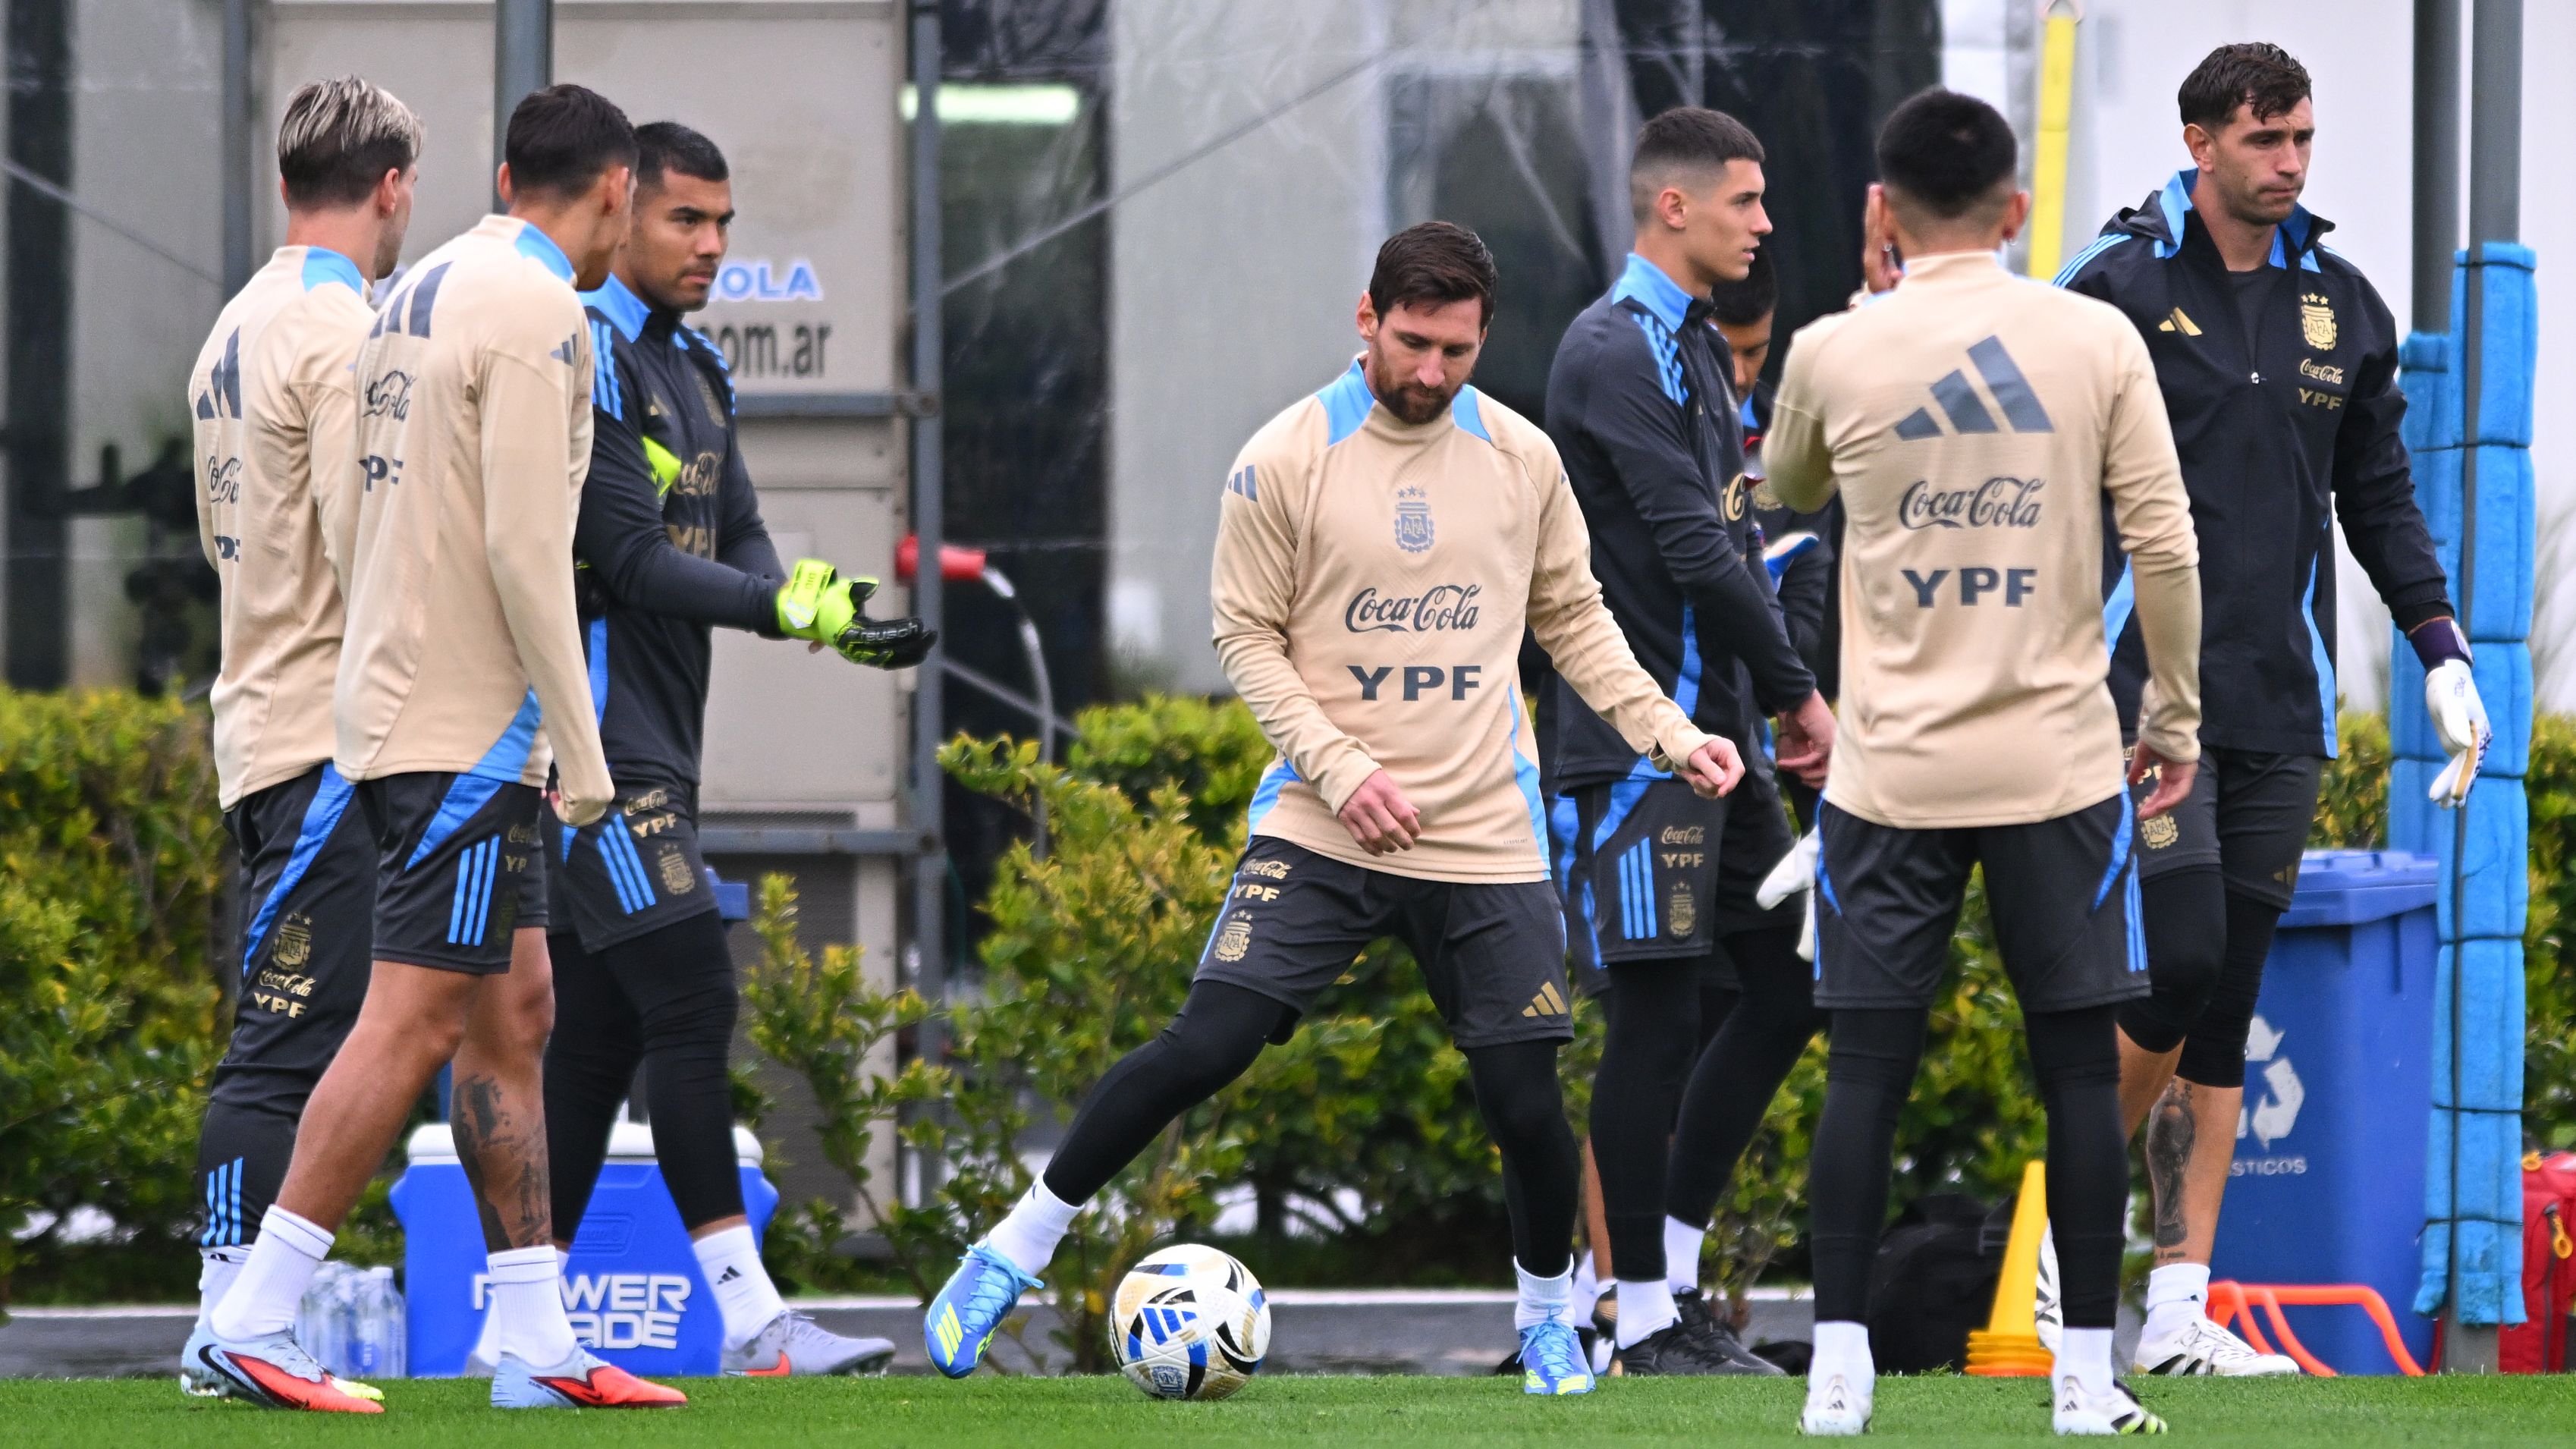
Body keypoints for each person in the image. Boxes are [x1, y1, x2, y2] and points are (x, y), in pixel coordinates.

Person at [922, 221, 1747, 1397]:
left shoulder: (1522, 459)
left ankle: (1549, 1318)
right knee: (1206, 1042)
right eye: (1412, 342)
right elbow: (1245, 638)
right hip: (1321, 817)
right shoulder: (1283, 458)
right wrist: (1341, 766)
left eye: (1456, 350)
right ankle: (1013, 1249)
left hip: (1480, 828)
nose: (1431, 371)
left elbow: (1574, 622)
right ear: (1366, 318)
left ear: (1482, 338)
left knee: (1525, 1095)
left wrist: (1673, 732)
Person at [191, 84, 683, 1413]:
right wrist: (582, 750)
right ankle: (256, 1310)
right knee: (406, 1019)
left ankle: (533, 1333)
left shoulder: (422, 288)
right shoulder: (536, 312)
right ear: (614, 196)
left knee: (517, 1011)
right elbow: (530, 548)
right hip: (468, 728)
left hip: (398, 710)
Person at [2044, 42, 2487, 1378]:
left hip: (2279, 702)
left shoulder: (2344, 304)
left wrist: (2441, 647)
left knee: (2229, 999)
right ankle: (2074, 1241)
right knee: (2172, 964)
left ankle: (2180, 1310)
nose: (2290, 163)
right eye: (2264, 140)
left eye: (2302, 138)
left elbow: (2379, 498)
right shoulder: (2111, 291)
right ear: (2200, 142)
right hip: (2137, 702)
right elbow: (2042, 486)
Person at [1766, 88, 2202, 1435]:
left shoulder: (1838, 349)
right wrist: (2171, 722)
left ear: (1882, 213)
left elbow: (1783, 492)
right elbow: (2171, 550)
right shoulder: (2095, 338)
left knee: (1863, 1073)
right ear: (2019, 211)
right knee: (2079, 1074)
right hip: (2061, 768)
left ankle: (1837, 1376)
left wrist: (1861, 314)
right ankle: (2082, 1381)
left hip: (1887, 777)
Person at [533, 119, 925, 1378]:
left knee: (595, 1041)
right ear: (619, 209)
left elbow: (741, 528)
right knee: (695, 993)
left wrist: (820, 606)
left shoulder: (700, 365)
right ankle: (754, 1320)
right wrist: (772, 605)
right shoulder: (582, 355)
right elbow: (633, 563)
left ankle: (522, 1333)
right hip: (586, 753)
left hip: (660, 752)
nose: (710, 246)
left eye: (722, 225)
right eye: (682, 221)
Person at [1540, 106, 1830, 1376]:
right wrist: (1797, 692)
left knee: (1789, 987)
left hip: (1718, 751)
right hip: (1637, 747)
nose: (1764, 222)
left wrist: (1763, 707)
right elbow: (1695, 545)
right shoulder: (1613, 350)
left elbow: (1735, 534)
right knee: (1654, 1021)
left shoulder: (1705, 346)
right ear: (1675, 207)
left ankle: (1669, 1276)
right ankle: (1637, 1314)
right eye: (1746, 200)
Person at [177, 77, 420, 1405]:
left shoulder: (233, 322)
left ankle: (240, 1320)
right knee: (282, 1041)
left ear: (286, 182)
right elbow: (366, 541)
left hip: (258, 714)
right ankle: (229, 1325)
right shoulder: (341, 327)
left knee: (319, 1031)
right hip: (330, 739)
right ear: (391, 189)